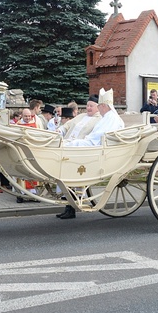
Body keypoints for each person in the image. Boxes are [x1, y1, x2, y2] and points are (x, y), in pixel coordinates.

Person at [59, 89, 125, 219]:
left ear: (102, 106)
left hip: (93, 147)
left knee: (71, 149)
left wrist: (85, 140)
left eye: (94, 106)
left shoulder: (106, 118)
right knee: (67, 146)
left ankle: (71, 206)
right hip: (89, 143)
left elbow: (100, 135)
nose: (89, 108)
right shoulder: (91, 116)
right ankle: (68, 205)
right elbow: (68, 125)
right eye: (88, 105)